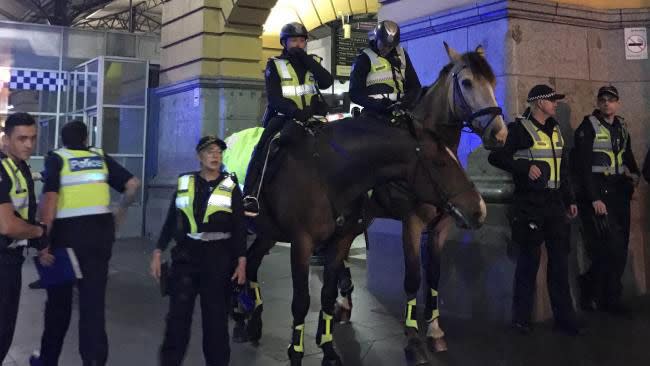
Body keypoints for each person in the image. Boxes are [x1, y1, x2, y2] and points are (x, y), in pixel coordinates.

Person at [31, 120, 140, 366]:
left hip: (65, 239)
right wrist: (120, 211)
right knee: (93, 305)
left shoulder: (57, 158)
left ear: (63, 139)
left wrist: (43, 241)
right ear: (85, 139)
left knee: (58, 304)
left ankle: (47, 360)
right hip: (99, 237)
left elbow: (49, 201)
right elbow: (133, 184)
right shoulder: (99, 157)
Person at [488, 85, 581, 335]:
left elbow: (563, 169)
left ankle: (565, 319)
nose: (556, 104)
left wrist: (569, 199)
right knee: (529, 263)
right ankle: (521, 320)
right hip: (529, 205)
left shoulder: (555, 129)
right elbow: (495, 157)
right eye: (552, 100)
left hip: (554, 203)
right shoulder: (518, 129)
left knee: (559, 263)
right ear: (539, 103)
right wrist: (524, 166)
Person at [150, 136, 247, 366]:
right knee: (177, 320)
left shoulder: (231, 187)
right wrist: (157, 251)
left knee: (216, 323)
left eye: (219, 152)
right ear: (199, 156)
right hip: (187, 257)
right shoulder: (185, 182)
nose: (215, 156)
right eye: (210, 151)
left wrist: (242, 261)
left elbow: (240, 227)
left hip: (219, 258)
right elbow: (172, 220)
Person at [242, 22, 333, 216]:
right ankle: (251, 194)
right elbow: (274, 98)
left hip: (314, 118)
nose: (298, 45)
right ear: (284, 43)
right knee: (264, 148)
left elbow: (326, 82)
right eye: (294, 41)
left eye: (302, 41)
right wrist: (295, 112)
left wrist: (307, 61)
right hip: (285, 118)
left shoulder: (313, 61)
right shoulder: (274, 64)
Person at [573, 85, 640, 314]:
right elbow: (582, 167)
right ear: (598, 103)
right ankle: (602, 294)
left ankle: (606, 295)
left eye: (611, 100)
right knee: (610, 247)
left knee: (620, 250)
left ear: (618, 102)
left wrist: (635, 177)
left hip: (620, 192)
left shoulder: (621, 126)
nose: (606, 104)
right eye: (602, 100)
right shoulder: (587, 127)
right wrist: (593, 199)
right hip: (600, 194)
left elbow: (627, 155)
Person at [0, 112, 50, 363]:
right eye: (21, 139)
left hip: (12, 259)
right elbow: (7, 225)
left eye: (32, 138)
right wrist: (39, 232)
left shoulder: (20, 167)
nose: (29, 144)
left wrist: (35, 238)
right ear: (5, 139)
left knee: (5, 330)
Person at [349, 20, 421, 119]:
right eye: (383, 44)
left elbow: (415, 87)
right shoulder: (364, 58)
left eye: (390, 46)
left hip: (401, 110)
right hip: (374, 113)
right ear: (376, 39)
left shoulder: (402, 55)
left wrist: (404, 102)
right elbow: (355, 93)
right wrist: (378, 104)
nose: (386, 49)